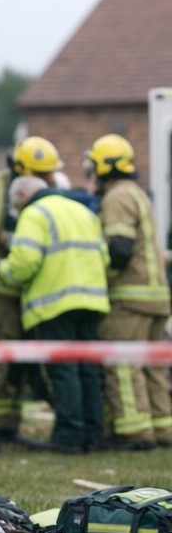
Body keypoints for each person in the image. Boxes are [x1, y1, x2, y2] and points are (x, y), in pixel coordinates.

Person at [0, 175, 110, 453]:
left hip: (55, 304)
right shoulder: (82, 210)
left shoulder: (34, 213)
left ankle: (70, 435)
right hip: (92, 300)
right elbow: (104, 257)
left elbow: (25, 264)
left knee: (64, 371)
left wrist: (0, 269)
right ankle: (92, 433)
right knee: (88, 370)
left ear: (23, 195)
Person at [0, 136, 63, 441]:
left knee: (21, 363)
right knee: (1, 359)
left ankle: (11, 420)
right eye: (41, 175)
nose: (47, 181)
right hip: (3, 290)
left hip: (34, 291)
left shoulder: (41, 194)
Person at [85, 135, 171, 448]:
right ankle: (162, 430)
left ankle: (135, 433)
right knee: (153, 369)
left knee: (124, 365)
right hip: (156, 297)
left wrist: (98, 276)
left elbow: (119, 250)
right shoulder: (138, 193)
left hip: (129, 298)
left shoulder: (117, 197)